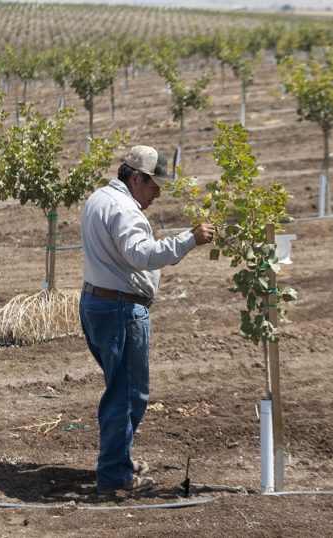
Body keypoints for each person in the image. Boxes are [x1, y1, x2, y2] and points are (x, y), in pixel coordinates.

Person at [80, 145, 215, 494]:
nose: (157, 193)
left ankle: (117, 461)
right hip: (120, 311)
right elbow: (142, 254)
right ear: (135, 178)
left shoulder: (99, 198)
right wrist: (189, 239)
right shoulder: (125, 210)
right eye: (154, 185)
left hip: (97, 303)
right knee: (127, 395)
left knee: (120, 391)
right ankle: (114, 476)